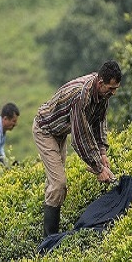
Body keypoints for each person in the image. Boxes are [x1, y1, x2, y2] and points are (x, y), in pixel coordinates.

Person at [32, 60, 121, 237]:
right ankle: (48, 239)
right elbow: (80, 137)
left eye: (116, 88)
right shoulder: (82, 96)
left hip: (60, 132)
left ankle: (46, 228)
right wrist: (98, 169)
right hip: (45, 130)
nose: (114, 92)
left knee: (55, 183)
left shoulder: (102, 94)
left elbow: (99, 122)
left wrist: (102, 152)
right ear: (101, 82)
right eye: (111, 88)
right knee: (59, 184)